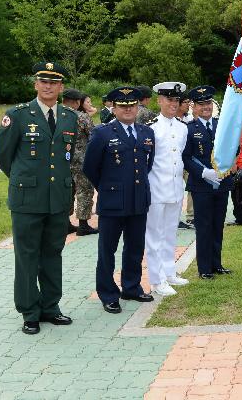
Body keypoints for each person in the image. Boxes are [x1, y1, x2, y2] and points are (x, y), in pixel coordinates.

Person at [0, 62, 78, 335]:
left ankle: (51, 307)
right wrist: (25, 180)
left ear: (61, 87)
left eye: (54, 82)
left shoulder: (68, 116)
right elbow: (3, 156)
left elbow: (65, 156)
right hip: (27, 200)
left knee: (53, 253)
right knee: (27, 256)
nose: (48, 86)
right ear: (35, 84)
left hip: (58, 199)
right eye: (43, 81)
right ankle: (30, 311)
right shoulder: (17, 115)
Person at [82, 86, 156, 314]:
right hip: (113, 202)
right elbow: (90, 167)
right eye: (123, 106)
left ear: (137, 107)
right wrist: (107, 188)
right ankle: (108, 293)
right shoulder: (102, 133)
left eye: (132, 106)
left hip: (138, 200)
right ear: (113, 108)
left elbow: (148, 164)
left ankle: (131, 287)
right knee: (107, 250)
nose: (128, 110)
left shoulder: (146, 132)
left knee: (135, 247)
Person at [183, 85, 234, 279]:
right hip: (201, 185)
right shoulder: (189, 129)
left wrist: (227, 167)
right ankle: (204, 268)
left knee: (217, 224)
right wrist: (203, 172)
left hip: (221, 183)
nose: (206, 107)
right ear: (193, 107)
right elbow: (186, 157)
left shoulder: (222, 125)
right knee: (204, 226)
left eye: (208, 103)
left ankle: (216, 264)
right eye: (201, 104)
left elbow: (231, 148)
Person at [144, 82, 190, 296]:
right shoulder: (151, 127)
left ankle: (169, 272)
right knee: (155, 235)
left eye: (176, 100)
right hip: (155, 188)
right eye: (169, 100)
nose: (173, 104)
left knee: (170, 232)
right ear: (159, 101)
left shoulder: (182, 128)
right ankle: (156, 279)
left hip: (175, 188)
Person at [62, 89, 98, 236]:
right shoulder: (82, 117)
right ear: (77, 102)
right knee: (85, 189)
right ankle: (83, 224)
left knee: (66, 190)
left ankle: (65, 223)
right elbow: (94, 135)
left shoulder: (56, 115)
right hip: (80, 159)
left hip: (61, 159)